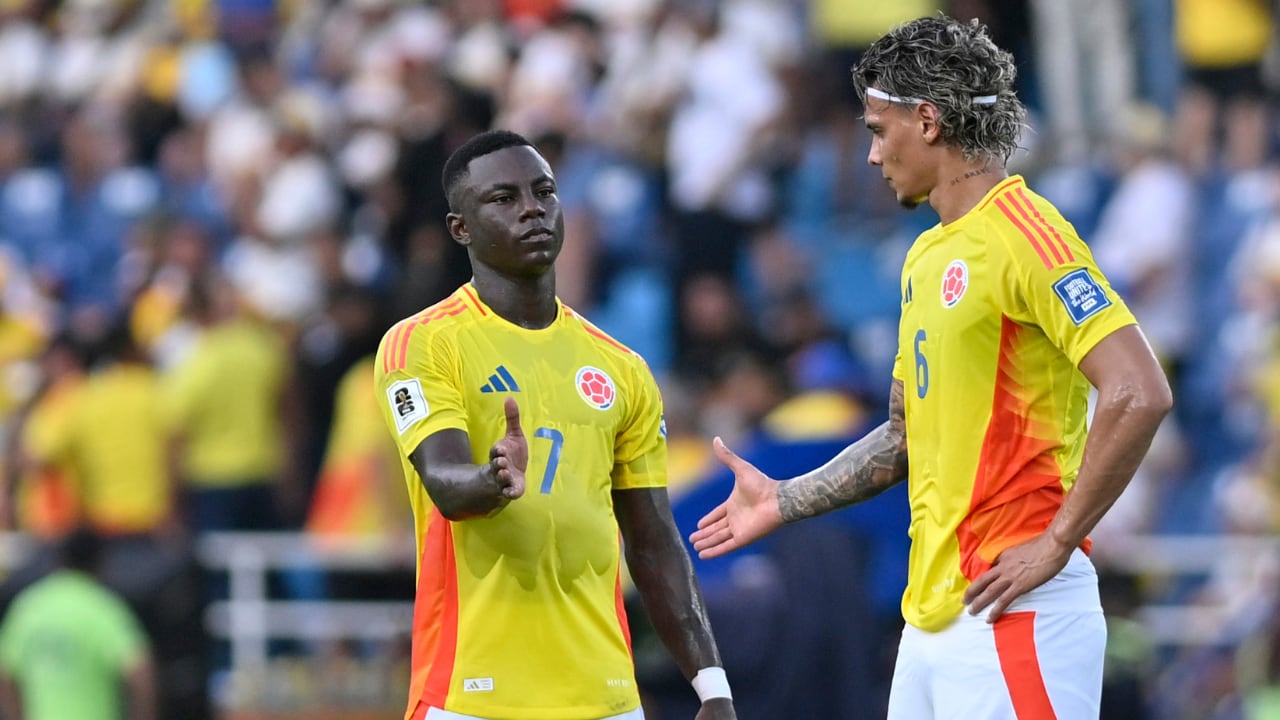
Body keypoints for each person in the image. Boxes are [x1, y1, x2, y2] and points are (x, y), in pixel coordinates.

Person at [690, 16, 1173, 720]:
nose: (871, 155)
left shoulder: (1026, 235)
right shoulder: (927, 256)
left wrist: (1058, 541)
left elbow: (1139, 389)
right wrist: (784, 500)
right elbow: (903, 436)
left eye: (878, 132)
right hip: (933, 621)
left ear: (928, 121)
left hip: (1019, 610)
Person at [374, 129, 736, 720]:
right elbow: (444, 484)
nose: (532, 209)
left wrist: (712, 685)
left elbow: (652, 540)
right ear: (459, 228)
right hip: (472, 693)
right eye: (503, 198)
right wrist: (492, 481)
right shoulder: (421, 344)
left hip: (606, 697)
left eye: (544, 192)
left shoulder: (622, 368)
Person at [0, 527, 156, 720]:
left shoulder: (28, 606)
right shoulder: (102, 607)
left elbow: (5, 671)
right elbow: (140, 670)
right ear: (101, 563)